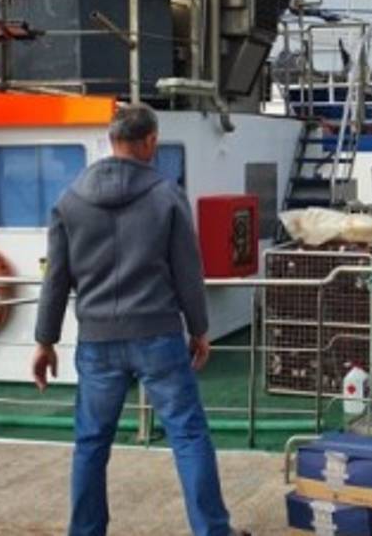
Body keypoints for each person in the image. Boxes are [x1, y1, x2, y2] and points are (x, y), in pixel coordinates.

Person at [33, 104, 245, 536]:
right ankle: (212, 531)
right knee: (187, 436)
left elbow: (56, 278)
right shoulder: (167, 195)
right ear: (150, 141)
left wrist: (45, 341)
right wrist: (200, 328)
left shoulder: (69, 200)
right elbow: (188, 269)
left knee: (91, 442)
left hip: (96, 340)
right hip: (158, 334)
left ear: (111, 140)